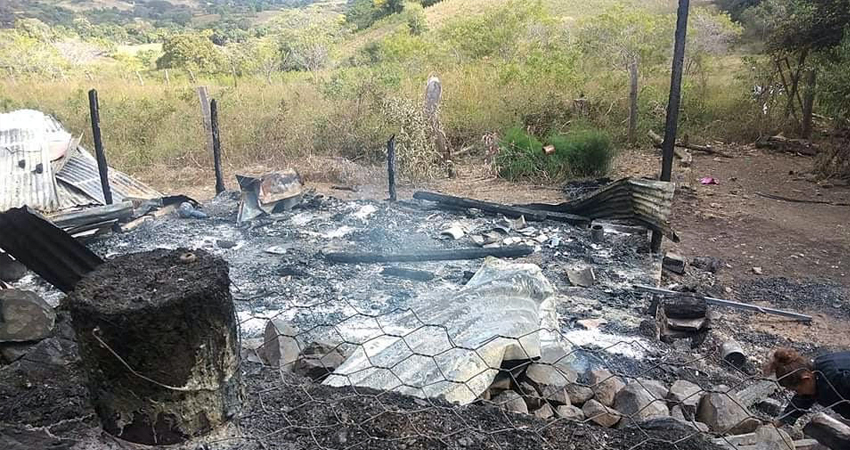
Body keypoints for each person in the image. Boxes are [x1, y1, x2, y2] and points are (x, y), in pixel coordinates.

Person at [764, 348, 850, 426]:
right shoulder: (816, 374)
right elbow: (803, 399)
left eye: (797, 390)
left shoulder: (841, 377)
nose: (798, 394)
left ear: (806, 379)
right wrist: (779, 422)